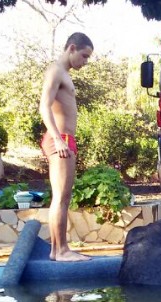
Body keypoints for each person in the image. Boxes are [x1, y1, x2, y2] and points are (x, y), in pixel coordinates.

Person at [39, 32, 94, 262]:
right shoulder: (55, 71)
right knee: (61, 197)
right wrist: (59, 139)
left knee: (64, 197)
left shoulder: (64, 74)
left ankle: (56, 250)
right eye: (84, 56)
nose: (85, 62)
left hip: (64, 139)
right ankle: (61, 250)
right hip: (59, 138)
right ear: (71, 48)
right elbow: (44, 106)